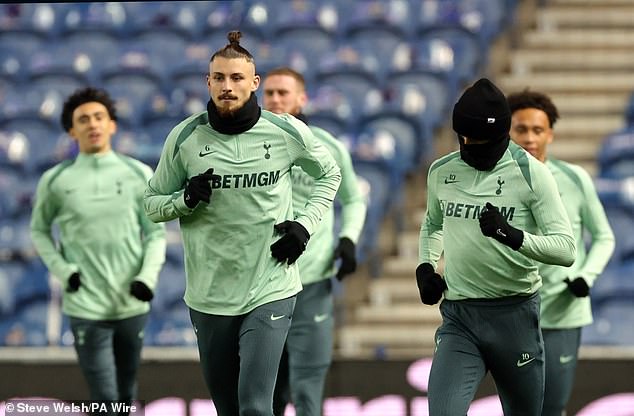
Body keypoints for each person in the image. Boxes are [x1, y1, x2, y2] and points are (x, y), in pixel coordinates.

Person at [143, 32, 341, 416]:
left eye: (237, 78)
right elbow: (151, 205)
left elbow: (329, 175)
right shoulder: (185, 138)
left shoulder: (287, 131)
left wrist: (304, 225)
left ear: (255, 83)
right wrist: (182, 200)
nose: (227, 86)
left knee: (255, 406)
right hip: (209, 295)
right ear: (208, 82)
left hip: (270, 287)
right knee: (229, 408)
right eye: (219, 78)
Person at [416, 78, 576, 415]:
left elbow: (565, 249)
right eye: (468, 138)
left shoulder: (533, 174)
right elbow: (433, 223)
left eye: (483, 140)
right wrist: (426, 266)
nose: (474, 145)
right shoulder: (442, 172)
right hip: (460, 316)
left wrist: (512, 235)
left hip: (515, 315)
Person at [30, 87, 166, 413]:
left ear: (112, 125)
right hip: (85, 307)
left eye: (99, 117)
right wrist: (65, 272)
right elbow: (39, 230)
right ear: (71, 131)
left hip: (131, 305)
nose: (92, 124)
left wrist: (146, 279)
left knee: (125, 393)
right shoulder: (55, 180)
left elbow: (156, 234)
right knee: (105, 399)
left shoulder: (137, 174)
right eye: (83, 119)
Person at [262, 67, 367, 416]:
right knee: (266, 391)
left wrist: (348, 240)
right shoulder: (248, 147)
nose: (276, 100)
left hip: (312, 283)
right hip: (262, 284)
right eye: (270, 93)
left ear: (302, 98)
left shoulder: (327, 146)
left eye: (283, 93)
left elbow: (353, 199)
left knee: (308, 387)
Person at [507, 89, 615, 416]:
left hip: (563, 314)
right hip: (510, 315)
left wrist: (585, 276)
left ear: (550, 134)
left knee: (552, 407)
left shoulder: (574, 178)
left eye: (537, 130)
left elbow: (604, 237)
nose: (529, 137)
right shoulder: (493, 181)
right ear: (507, 132)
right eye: (520, 129)